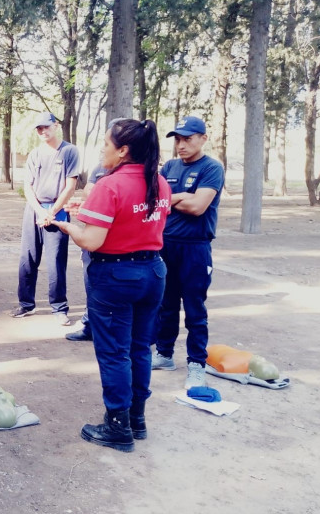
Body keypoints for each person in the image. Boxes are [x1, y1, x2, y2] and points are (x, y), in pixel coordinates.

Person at [53, 118, 171, 453]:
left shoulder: (111, 185)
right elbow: (138, 221)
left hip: (116, 277)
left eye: (107, 144)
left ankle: (117, 425)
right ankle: (137, 419)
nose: (102, 149)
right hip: (153, 272)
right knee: (139, 348)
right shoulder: (159, 182)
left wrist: (68, 226)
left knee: (115, 352)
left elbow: (91, 240)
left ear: (123, 150)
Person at [152, 116, 225, 390]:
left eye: (187, 139)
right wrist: (185, 195)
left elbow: (198, 207)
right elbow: (157, 200)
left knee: (195, 309)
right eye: (178, 140)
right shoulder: (169, 166)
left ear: (203, 139)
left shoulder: (212, 168)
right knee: (166, 305)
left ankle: (196, 364)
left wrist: (174, 198)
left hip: (195, 248)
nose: (181, 145)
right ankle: (164, 354)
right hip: (165, 244)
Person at [11, 112, 79, 323]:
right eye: (39, 128)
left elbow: (70, 185)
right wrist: (40, 211)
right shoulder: (35, 154)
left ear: (56, 125)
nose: (43, 131)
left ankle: (59, 308)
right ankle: (26, 304)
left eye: (46, 127)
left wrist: (52, 212)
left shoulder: (69, 151)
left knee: (56, 261)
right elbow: (28, 186)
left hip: (57, 210)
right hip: (34, 210)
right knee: (27, 258)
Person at [65, 162, 108, 342]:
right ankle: (90, 325)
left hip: (114, 244)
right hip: (93, 241)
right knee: (90, 282)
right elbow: (87, 191)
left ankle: (106, 331)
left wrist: (97, 195)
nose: (104, 150)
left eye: (108, 144)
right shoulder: (100, 167)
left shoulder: (129, 174)